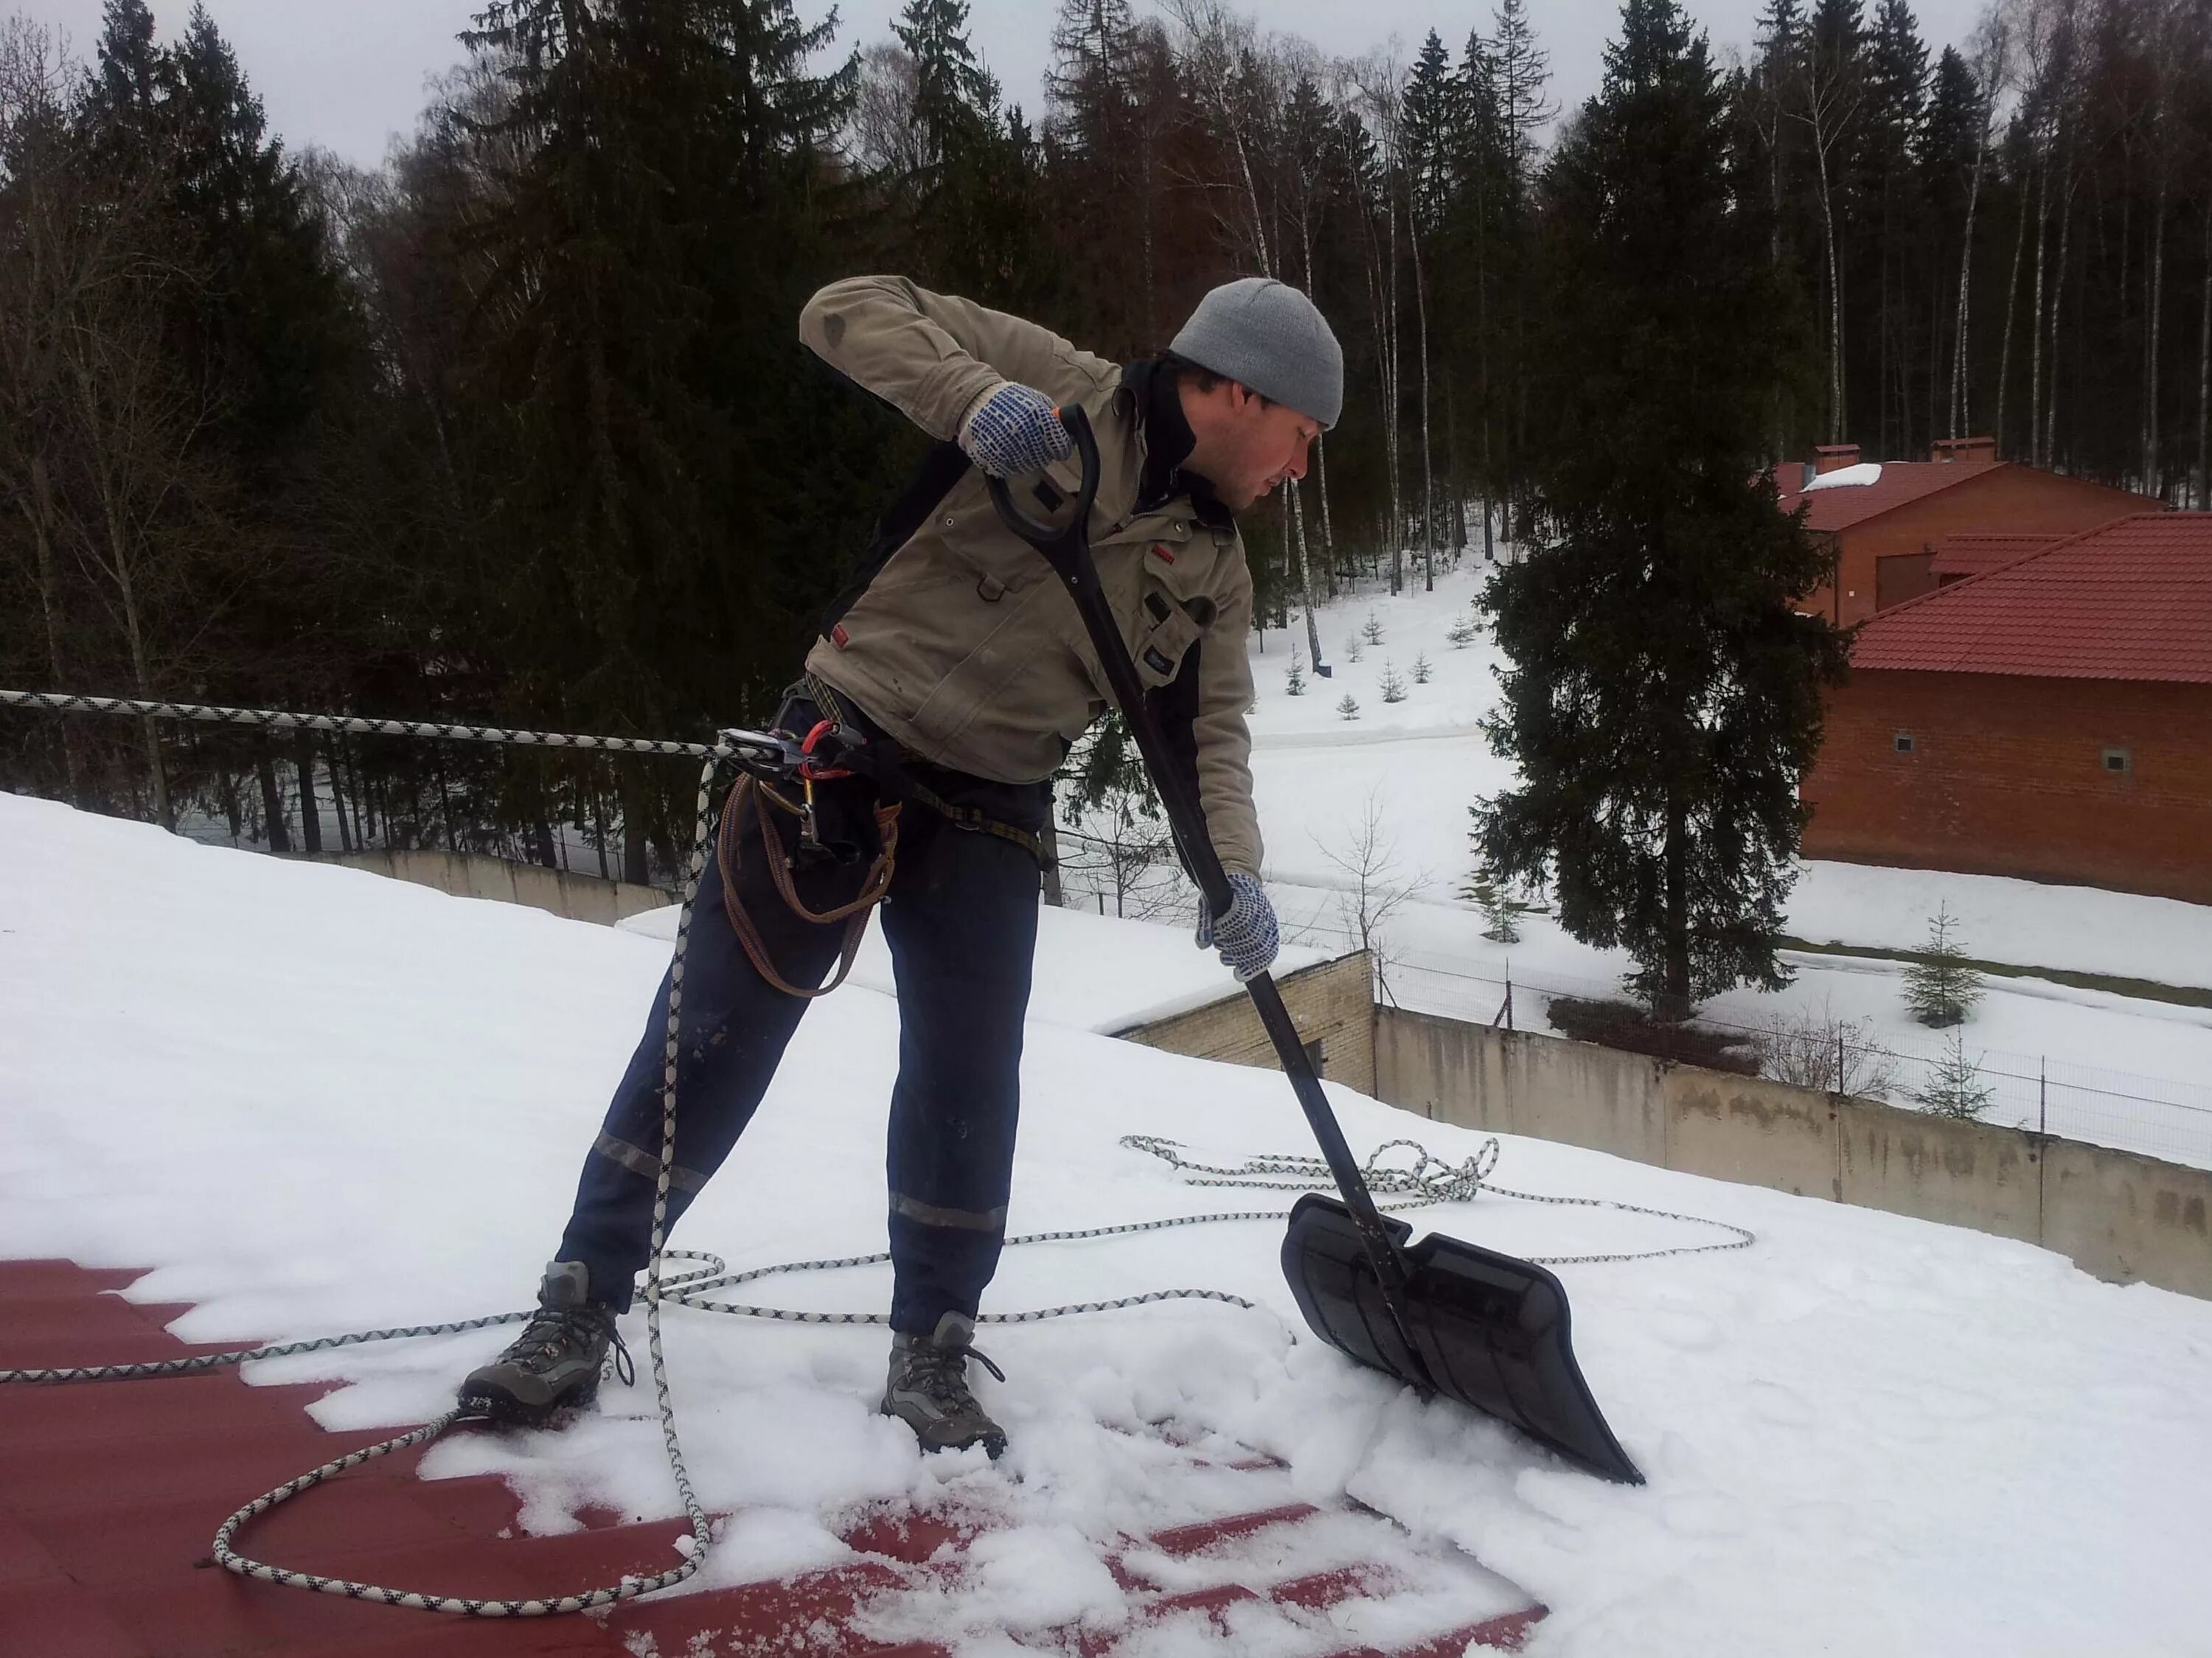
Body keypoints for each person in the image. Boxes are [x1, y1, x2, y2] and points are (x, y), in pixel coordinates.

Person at [459, 274, 1344, 1458]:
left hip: (990, 806)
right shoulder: (1065, 394)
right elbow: (840, 306)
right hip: (840, 747)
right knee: (715, 1031)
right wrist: (975, 400)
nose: (1301, 469)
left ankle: (931, 1343)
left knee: (968, 1078)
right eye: (1303, 437)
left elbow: (1209, 740)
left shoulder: (1214, 570)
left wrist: (1232, 873)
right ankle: (578, 1301)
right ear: (1241, 390)